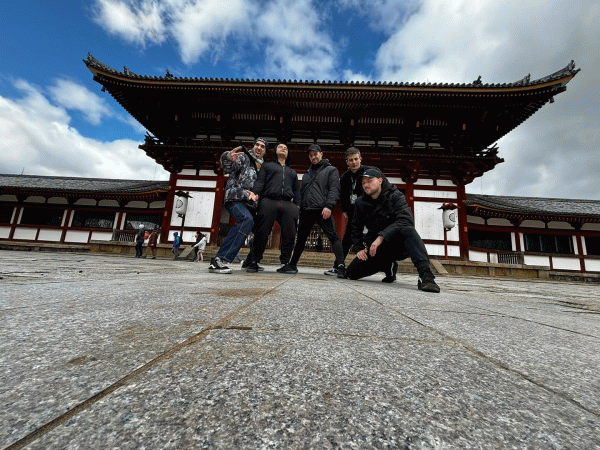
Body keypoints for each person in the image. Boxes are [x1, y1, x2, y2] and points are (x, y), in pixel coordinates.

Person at [344, 168, 440, 293]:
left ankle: (426, 275)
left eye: (369, 181)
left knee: (408, 230)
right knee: (351, 273)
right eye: (363, 182)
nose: (366, 185)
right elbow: (355, 227)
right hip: (377, 250)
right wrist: (358, 248)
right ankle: (388, 265)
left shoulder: (395, 196)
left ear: (380, 181)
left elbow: (405, 219)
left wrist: (381, 237)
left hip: (398, 245)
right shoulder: (360, 202)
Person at [278, 144, 345, 276]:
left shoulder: (331, 170)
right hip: (306, 210)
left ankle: (341, 267)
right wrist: (298, 207)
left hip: (322, 209)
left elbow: (334, 189)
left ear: (321, 154)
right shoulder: (307, 173)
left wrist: (329, 206)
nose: (313, 157)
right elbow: (301, 192)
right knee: (300, 239)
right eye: (311, 155)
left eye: (315, 154)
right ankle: (292, 264)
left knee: (333, 237)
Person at [209, 138, 266, 274]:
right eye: (257, 145)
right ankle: (219, 259)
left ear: (265, 151)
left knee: (262, 229)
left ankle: (249, 262)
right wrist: (227, 158)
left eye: (262, 146)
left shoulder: (263, 167)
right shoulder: (244, 158)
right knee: (246, 219)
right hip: (236, 197)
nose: (259, 148)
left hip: (251, 203)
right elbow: (229, 167)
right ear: (253, 146)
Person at [323, 147, 379, 277]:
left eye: (356, 159)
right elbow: (343, 196)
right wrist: (345, 210)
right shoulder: (344, 177)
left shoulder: (369, 172)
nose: (354, 162)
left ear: (360, 159)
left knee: (375, 236)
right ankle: (338, 266)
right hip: (354, 213)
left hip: (370, 211)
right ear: (347, 162)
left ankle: (389, 269)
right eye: (351, 160)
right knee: (347, 239)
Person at [245, 142, 300, 272]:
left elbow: (297, 191)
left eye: (285, 148)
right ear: (275, 151)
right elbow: (260, 182)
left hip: (287, 203)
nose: (283, 148)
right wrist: (255, 193)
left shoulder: (292, 172)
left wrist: (297, 206)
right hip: (269, 200)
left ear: (288, 153)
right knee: (262, 232)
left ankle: (285, 263)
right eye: (280, 147)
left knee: (290, 233)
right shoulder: (267, 166)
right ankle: (254, 261)